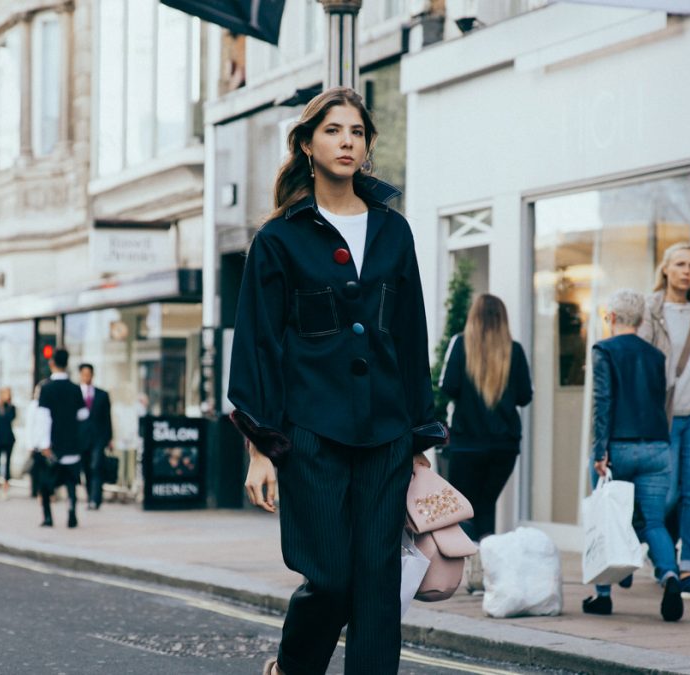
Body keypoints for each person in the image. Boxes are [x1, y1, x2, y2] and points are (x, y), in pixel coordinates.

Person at [228, 87, 447, 675]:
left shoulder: (393, 231)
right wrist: (260, 448)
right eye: (333, 130)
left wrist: (420, 442)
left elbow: (409, 334)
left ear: (367, 146)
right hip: (310, 434)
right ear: (305, 143)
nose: (346, 141)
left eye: (356, 132)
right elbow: (258, 346)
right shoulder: (279, 239)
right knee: (328, 577)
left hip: (385, 435)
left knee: (377, 587)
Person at [584, 289, 683, 622]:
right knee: (654, 521)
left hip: (619, 448)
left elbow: (604, 403)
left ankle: (602, 595)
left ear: (610, 318)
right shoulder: (656, 356)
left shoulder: (604, 350)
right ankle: (670, 576)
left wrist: (600, 451)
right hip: (657, 447)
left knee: (608, 519)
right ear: (641, 320)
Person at [638, 243, 690, 601]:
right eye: (681, 265)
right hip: (664, 417)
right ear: (667, 269)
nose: (687, 271)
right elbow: (638, 364)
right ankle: (653, 551)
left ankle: (688, 571)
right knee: (665, 495)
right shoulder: (648, 311)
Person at [438, 293, 532, 590]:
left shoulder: (460, 343)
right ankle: (486, 571)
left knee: (465, 507)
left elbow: (447, 386)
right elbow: (525, 396)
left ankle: (471, 571)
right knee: (487, 504)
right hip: (504, 444)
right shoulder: (514, 350)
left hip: (467, 442)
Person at [37, 348, 88, 528]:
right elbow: (83, 415)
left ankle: (48, 517)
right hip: (72, 444)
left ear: (52, 363)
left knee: (45, 483)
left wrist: (44, 444)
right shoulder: (75, 389)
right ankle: (72, 512)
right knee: (71, 482)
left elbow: (43, 418)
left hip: (53, 445)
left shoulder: (46, 388)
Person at [78, 363, 113, 510]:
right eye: (84, 374)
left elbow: (107, 418)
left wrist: (110, 438)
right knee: (86, 468)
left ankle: (95, 499)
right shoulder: (75, 393)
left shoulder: (102, 395)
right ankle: (89, 496)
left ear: (92, 375)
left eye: (89, 374)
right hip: (81, 438)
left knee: (96, 466)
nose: (86, 377)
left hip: (98, 438)